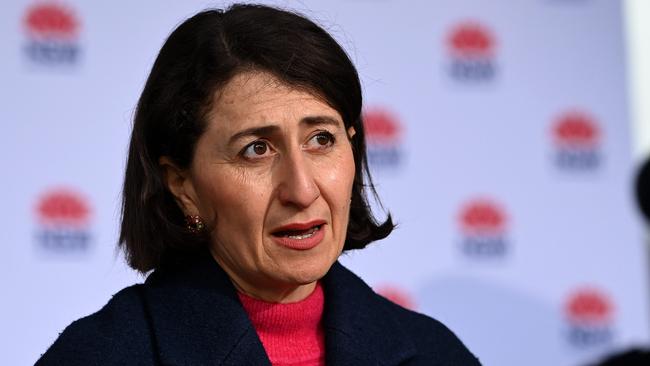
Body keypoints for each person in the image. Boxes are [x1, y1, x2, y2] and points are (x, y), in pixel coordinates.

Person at [36, 4, 480, 365]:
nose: (302, 190)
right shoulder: (99, 355)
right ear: (181, 184)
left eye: (320, 139)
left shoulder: (437, 353)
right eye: (256, 149)